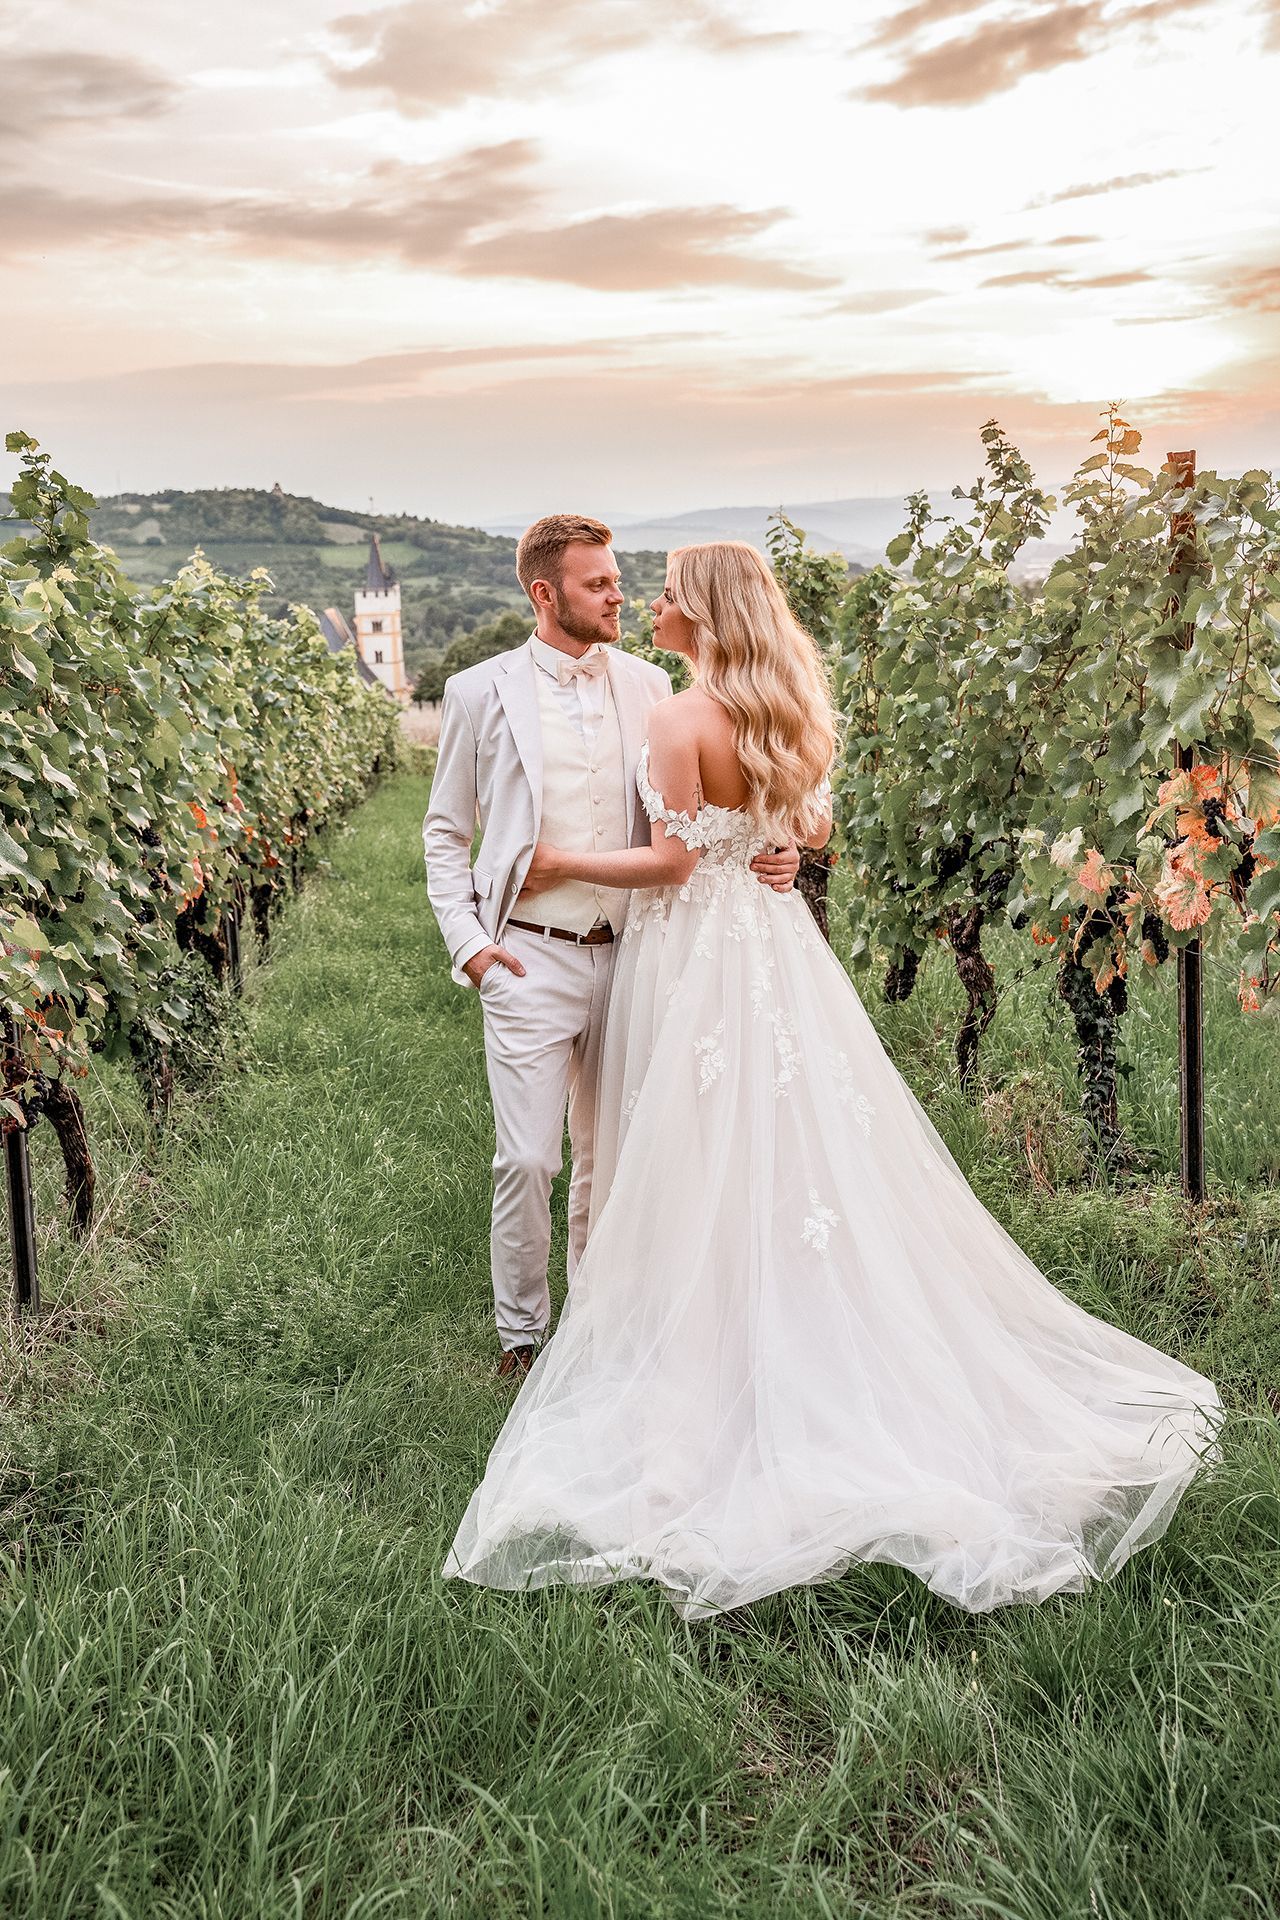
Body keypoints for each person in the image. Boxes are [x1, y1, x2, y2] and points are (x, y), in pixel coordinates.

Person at [443, 540, 1222, 1619]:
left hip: (686, 951)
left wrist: (558, 863)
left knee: (678, 1145)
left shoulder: (676, 713)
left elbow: (673, 862)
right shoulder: (779, 709)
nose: (650, 605)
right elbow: (808, 825)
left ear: (704, 612)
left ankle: (674, 1343)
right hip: (768, 946)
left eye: (666, 593)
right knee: (785, 1140)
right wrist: (774, 847)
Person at [422, 516, 799, 1380]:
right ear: (543, 593)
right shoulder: (478, 692)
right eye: (598, 584)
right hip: (528, 952)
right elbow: (446, 832)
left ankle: (593, 1332)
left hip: (639, 950)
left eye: (620, 579)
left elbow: (716, 800)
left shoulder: (649, 684)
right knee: (528, 1158)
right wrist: (470, 943)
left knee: (612, 1154)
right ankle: (522, 1337)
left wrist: (782, 844)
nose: (619, 596)